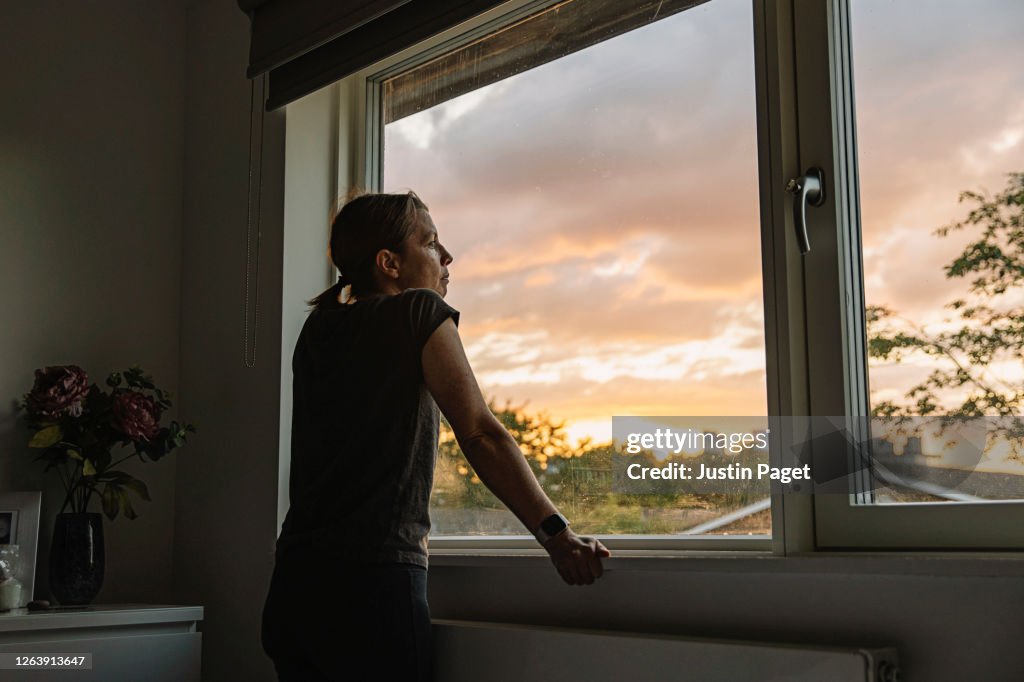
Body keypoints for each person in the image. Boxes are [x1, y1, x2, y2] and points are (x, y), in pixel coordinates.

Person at [260, 190, 610, 681]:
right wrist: (557, 536)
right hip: (371, 588)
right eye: (430, 243)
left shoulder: (320, 328)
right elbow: (481, 434)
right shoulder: (417, 311)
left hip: (295, 587)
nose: (446, 257)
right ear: (390, 263)